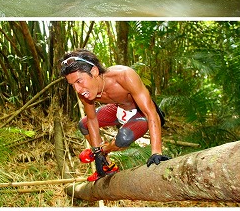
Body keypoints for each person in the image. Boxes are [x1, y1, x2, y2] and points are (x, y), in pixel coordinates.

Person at [59, 49, 170, 181]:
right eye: (72, 85)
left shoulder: (124, 76)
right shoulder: (84, 92)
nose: (77, 89)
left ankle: (105, 150)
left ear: (94, 71)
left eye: (79, 81)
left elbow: (150, 112)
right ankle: (107, 165)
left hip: (141, 113)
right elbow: (92, 119)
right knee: (83, 125)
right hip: (119, 108)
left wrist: (156, 152)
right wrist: (96, 152)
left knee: (122, 138)